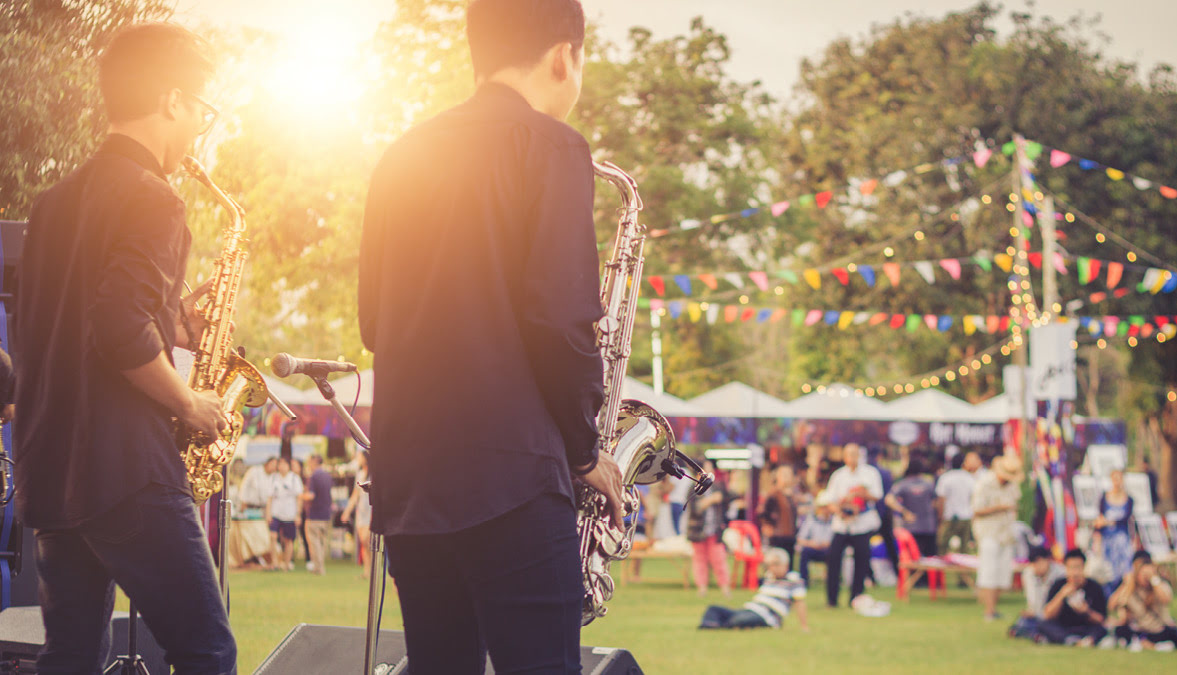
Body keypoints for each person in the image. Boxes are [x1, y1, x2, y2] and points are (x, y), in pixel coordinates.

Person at [356, 2, 626, 672]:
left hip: (411, 481)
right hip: (513, 477)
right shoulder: (553, 144)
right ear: (566, 56)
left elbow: (370, 321)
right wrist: (585, 448)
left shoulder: (401, 153)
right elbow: (562, 319)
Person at [11, 22, 236, 674]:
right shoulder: (155, 198)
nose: (199, 126)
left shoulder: (52, 205)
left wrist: (171, 321)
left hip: (51, 470)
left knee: (71, 659)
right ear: (171, 100)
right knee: (206, 650)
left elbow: (57, 327)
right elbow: (114, 326)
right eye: (200, 108)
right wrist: (189, 401)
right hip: (126, 472)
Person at [825, 443, 884, 608]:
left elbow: (878, 496)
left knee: (861, 561)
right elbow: (830, 500)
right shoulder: (838, 475)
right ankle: (832, 599)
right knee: (834, 558)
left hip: (862, 524)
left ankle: (856, 597)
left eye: (855, 454)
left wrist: (862, 494)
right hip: (842, 524)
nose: (852, 458)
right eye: (849, 454)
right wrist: (840, 511)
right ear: (844, 457)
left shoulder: (870, 473)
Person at [697, 548, 809, 631]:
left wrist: (804, 626)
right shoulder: (769, 578)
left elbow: (800, 602)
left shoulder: (794, 580)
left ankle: (720, 626)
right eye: (769, 565)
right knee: (713, 609)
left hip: (767, 616)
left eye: (776, 564)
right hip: (751, 609)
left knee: (738, 620)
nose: (772, 568)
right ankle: (713, 626)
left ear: (786, 564)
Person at [972, 454, 1023, 621]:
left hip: (1006, 533)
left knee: (1003, 572)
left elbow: (1016, 503)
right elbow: (976, 510)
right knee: (989, 571)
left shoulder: (1012, 485)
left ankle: (993, 608)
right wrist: (999, 508)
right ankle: (989, 610)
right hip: (989, 532)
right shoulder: (985, 484)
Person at [1038, 549, 1109, 646]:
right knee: (1044, 625)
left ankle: (1086, 641)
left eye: (1078, 567)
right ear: (1065, 568)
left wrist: (1086, 611)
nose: (1075, 573)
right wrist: (1061, 595)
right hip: (1063, 627)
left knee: (1102, 629)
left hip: (1086, 628)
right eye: (1071, 568)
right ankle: (1070, 640)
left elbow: (1102, 619)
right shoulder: (1058, 585)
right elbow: (1047, 614)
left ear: (1084, 567)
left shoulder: (1094, 587)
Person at [1108, 554, 1176, 650]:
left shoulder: (1160, 585)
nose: (1146, 578)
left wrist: (1154, 579)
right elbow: (1112, 606)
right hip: (1139, 629)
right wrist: (1126, 585)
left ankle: (1149, 645)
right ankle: (1149, 644)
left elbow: (1165, 600)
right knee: (1120, 630)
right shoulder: (1131, 589)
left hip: (1159, 629)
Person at [686, 459, 732, 596]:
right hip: (698, 530)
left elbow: (728, 501)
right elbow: (694, 509)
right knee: (700, 560)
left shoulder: (717, 487)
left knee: (719, 559)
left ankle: (725, 587)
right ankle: (702, 588)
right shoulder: (693, 488)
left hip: (715, 530)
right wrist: (710, 500)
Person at [1009, 546, 1064, 640]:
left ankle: (1037, 634)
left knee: (1049, 626)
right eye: (1033, 564)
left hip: (1055, 614)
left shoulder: (1061, 573)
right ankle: (1036, 633)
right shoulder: (1028, 573)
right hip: (1035, 615)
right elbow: (1032, 600)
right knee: (1021, 623)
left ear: (1048, 560)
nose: (1036, 567)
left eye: (1039, 563)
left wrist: (1039, 613)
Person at [886, 459, 938, 556]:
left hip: (911, 526)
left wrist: (904, 512)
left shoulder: (903, 484)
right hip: (928, 526)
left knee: (913, 558)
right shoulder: (929, 483)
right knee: (930, 559)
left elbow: (889, 499)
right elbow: (936, 502)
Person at [1093, 468, 1135, 587]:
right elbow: (1100, 519)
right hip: (1107, 540)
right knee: (1108, 570)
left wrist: (1108, 522)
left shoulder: (1128, 499)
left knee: (1124, 569)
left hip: (1121, 540)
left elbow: (1127, 520)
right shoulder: (1104, 498)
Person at [935, 451, 981, 554]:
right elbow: (973, 499)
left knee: (942, 546)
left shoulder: (945, 478)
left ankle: (942, 568)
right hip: (966, 516)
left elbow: (941, 500)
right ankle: (962, 569)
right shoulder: (969, 478)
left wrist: (940, 517)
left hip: (949, 517)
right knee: (964, 549)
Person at [266, 457, 303, 571]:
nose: (281, 467)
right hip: (276, 512)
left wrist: (298, 514)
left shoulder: (294, 479)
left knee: (288, 540)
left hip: (289, 513)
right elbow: (270, 497)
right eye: (280, 464)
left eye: (284, 464)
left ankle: (287, 563)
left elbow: (299, 498)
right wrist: (268, 513)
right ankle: (275, 562)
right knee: (273, 536)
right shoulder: (274, 478)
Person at [341, 450, 374, 579]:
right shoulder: (360, 474)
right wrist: (347, 511)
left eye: (359, 457)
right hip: (362, 512)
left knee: (368, 540)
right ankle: (367, 571)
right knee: (364, 543)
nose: (358, 459)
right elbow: (355, 495)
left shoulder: (374, 475)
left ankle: (372, 570)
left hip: (371, 511)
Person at [760, 465, 798, 569]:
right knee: (776, 563)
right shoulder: (773, 494)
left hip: (789, 535)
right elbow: (763, 512)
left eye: (789, 475)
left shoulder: (791, 495)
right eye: (784, 475)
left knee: (788, 565)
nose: (787, 478)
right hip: (777, 536)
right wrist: (769, 527)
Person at [301, 455, 333, 576]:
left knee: (314, 543)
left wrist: (300, 495)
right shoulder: (327, 476)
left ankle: (319, 567)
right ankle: (319, 566)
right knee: (322, 543)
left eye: (310, 462)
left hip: (314, 515)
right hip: (326, 514)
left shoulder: (313, 477)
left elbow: (311, 495)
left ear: (314, 462)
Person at [796, 491, 835, 587]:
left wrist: (828, 544)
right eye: (823, 507)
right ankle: (804, 582)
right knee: (805, 552)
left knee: (835, 553)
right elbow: (800, 539)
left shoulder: (835, 521)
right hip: (813, 548)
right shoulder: (811, 520)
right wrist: (811, 543)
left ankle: (832, 581)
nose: (825, 510)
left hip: (828, 549)